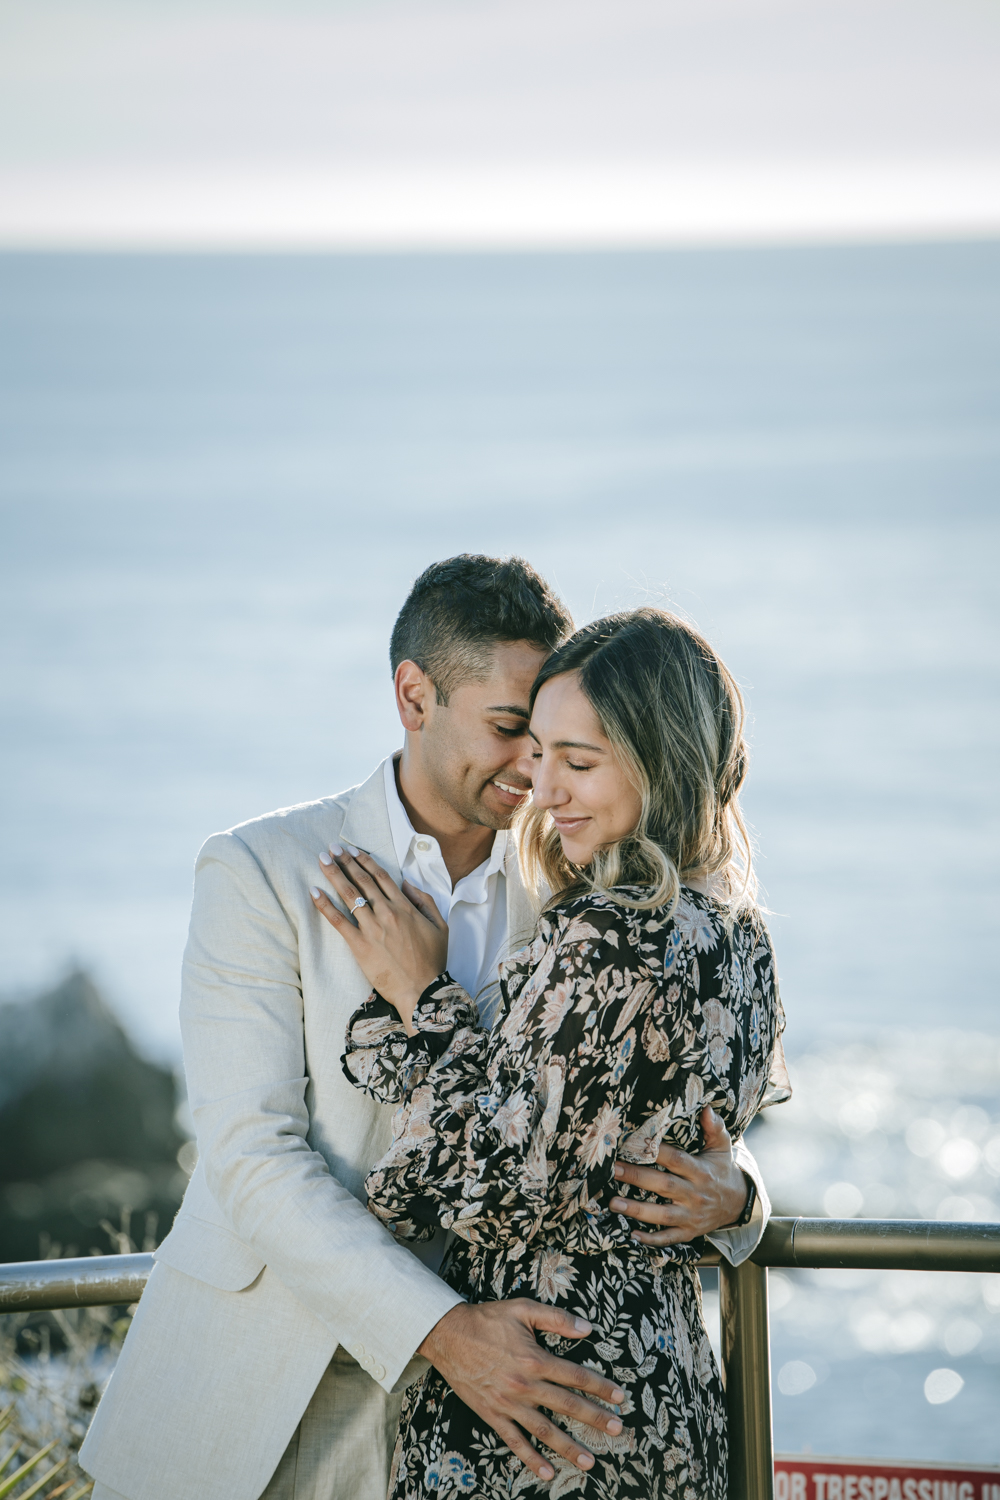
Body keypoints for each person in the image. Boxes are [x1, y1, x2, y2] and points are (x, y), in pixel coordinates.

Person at [81, 559, 771, 1500]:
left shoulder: (580, 896)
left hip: (493, 1425)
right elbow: (252, 1158)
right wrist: (441, 1331)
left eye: (557, 742)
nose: (534, 769)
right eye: (509, 730)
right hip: (265, 1394)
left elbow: (639, 1102)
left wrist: (739, 1198)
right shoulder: (262, 868)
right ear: (414, 696)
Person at [319, 605, 789, 1498]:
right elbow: (689, 1131)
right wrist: (737, 1196)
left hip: (543, 1405)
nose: (546, 790)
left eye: (579, 762)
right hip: (665, 1389)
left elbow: (468, 1182)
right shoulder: (742, 936)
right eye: (538, 755)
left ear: (663, 762)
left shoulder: (605, 935)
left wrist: (424, 996)